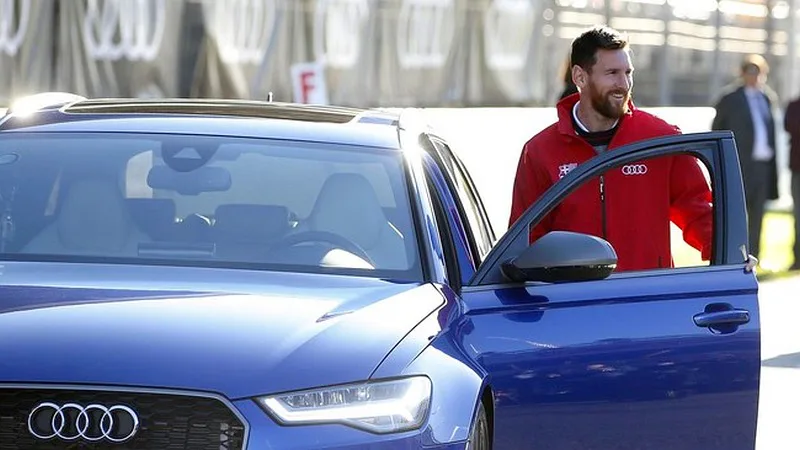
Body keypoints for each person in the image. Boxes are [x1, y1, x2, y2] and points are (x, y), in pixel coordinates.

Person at [508, 25, 713, 272]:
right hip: (574, 295)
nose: (623, 84)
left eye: (628, 72)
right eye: (612, 73)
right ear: (580, 77)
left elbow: (700, 213)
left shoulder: (661, 139)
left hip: (649, 293)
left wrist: (733, 259)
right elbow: (527, 240)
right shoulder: (540, 151)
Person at [711, 54, 779, 262]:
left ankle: (755, 257)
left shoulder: (766, 98)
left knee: (758, 215)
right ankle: (736, 257)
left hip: (762, 166)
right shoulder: (730, 99)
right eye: (750, 72)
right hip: (739, 166)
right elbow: (717, 131)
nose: (755, 77)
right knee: (737, 215)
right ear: (742, 73)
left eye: (759, 72)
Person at [784, 93, 800, 270]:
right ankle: (798, 258)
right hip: (798, 169)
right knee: (798, 216)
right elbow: (791, 126)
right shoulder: (794, 106)